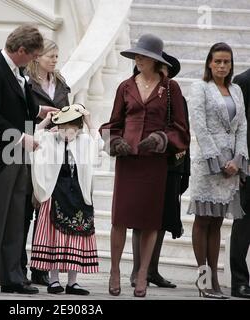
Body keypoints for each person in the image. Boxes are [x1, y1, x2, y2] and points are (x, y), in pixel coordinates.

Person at [0, 25, 57, 295]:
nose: (32, 61)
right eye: (31, 56)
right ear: (20, 51)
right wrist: (21, 138)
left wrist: (40, 111)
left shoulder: (16, 70)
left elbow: (18, 103)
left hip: (18, 155)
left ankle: (12, 277)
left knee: (17, 217)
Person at [99, 34, 190, 298]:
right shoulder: (125, 86)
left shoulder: (171, 89)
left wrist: (161, 139)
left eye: (142, 56)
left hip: (155, 163)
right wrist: (115, 142)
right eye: (136, 55)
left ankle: (142, 274)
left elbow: (181, 129)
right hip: (128, 160)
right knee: (119, 219)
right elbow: (113, 124)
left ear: (154, 60)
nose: (137, 59)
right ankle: (115, 270)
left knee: (150, 221)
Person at [187, 42, 248, 299]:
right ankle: (204, 281)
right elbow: (199, 126)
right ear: (209, 64)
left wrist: (238, 159)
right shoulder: (200, 87)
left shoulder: (236, 89)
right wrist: (219, 161)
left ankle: (214, 283)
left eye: (227, 62)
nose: (222, 66)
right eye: (218, 61)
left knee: (217, 223)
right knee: (203, 221)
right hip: (208, 165)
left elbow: (242, 127)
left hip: (231, 168)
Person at [130, 52, 191, 289]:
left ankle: (152, 269)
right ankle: (137, 271)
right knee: (141, 218)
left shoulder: (176, 96)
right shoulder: (136, 92)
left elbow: (183, 131)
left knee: (163, 219)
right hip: (144, 162)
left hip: (170, 165)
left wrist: (182, 167)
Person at [30, 104, 102, 295]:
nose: (65, 132)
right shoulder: (51, 139)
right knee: (55, 238)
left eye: (70, 128)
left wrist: (89, 121)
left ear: (78, 128)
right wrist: (47, 120)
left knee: (75, 238)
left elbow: (100, 143)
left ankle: (72, 282)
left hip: (79, 196)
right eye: (62, 127)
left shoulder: (85, 141)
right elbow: (35, 134)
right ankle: (53, 280)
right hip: (55, 195)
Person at [20, 39, 71, 286]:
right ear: (37, 57)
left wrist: (64, 130)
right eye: (50, 55)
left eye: (56, 57)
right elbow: (20, 119)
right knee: (26, 209)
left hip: (56, 152)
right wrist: (40, 129)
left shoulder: (61, 84)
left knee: (47, 211)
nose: (54, 60)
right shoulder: (26, 83)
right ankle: (18, 265)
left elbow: (71, 117)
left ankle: (39, 267)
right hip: (31, 150)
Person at [230, 69, 250, 299]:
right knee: (244, 223)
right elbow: (238, 126)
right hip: (248, 166)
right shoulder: (243, 81)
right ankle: (240, 281)